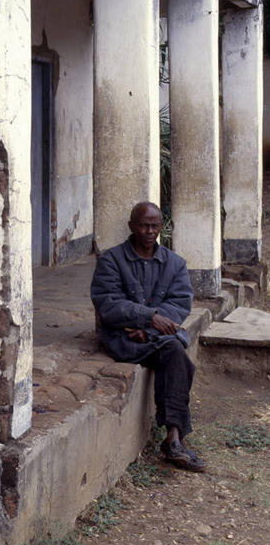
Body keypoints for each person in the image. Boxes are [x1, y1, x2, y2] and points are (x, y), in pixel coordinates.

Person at [90, 201, 205, 472]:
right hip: (122, 339)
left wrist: (150, 329)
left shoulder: (175, 264)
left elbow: (179, 305)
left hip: (156, 339)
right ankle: (174, 439)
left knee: (176, 355)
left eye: (154, 226)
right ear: (132, 226)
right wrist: (150, 317)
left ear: (161, 227)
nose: (149, 231)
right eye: (143, 225)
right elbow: (108, 304)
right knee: (172, 350)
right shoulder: (111, 260)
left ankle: (174, 437)